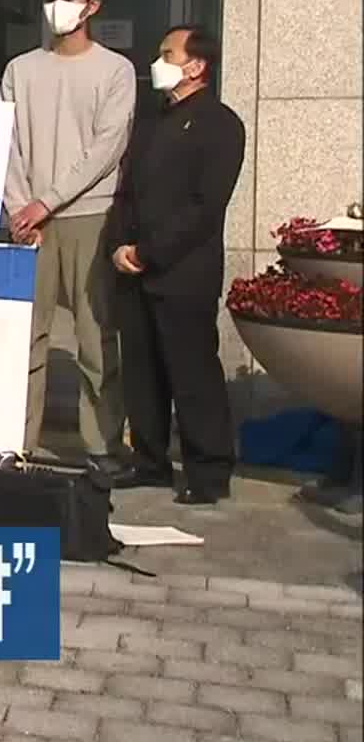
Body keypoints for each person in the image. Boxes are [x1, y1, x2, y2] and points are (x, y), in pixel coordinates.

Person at [3, 0, 137, 467]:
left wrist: (49, 199)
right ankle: (18, 438)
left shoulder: (116, 70)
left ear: (92, 6)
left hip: (90, 214)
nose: (56, 9)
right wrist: (22, 208)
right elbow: (8, 144)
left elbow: (108, 148)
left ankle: (101, 443)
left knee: (94, 335)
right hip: (29, 218)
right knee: (26, 334)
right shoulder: (20, 69)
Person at [108, 26, 244, 505]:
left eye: (168, 53)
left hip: (183, 271)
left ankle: (208, 472)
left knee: (192, 373)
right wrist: (122, 244)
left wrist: (151, 252)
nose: (158, 61)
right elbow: (127, 189)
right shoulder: (152, 119)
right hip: (133, 266)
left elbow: (205, 208)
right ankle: (149, 460)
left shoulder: (220, 124)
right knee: (142, 373)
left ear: (196, 66)